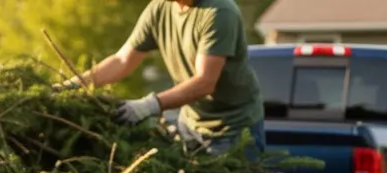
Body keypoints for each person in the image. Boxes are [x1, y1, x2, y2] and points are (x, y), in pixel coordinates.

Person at [58, 0, 265, 158]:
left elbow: (205, 82)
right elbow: (122, 60)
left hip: (234, 128)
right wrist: (72, 85)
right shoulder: (159, 9)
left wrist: (148, 105)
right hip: (190, 124)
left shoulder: (219, 13)